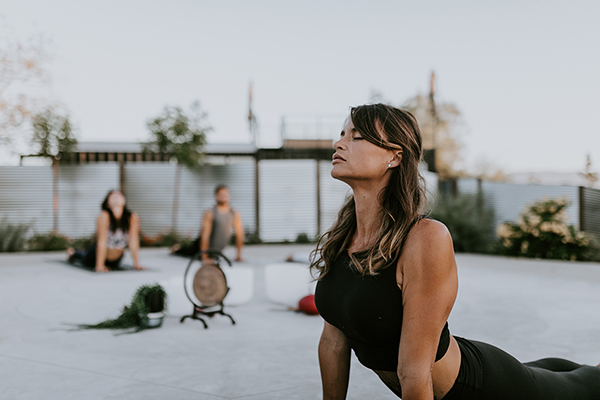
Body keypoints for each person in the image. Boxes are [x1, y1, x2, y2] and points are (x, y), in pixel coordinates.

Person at [311, 103, 600, 400]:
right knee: (557, 369)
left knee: (585, 385)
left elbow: (414, 372)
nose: (339, 143)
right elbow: (333, 343)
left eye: (357, 137)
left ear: (395, 157)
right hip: (464, 369)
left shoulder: (424, 238)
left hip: (479, 389)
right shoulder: (343, 236)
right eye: (342, 133)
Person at [68, 190, 143, 272]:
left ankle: (78, 251)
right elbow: (102, 241)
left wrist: (136, 264)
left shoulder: (132, 217)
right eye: (113, 196)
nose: (116, 197)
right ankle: (73, 253)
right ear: (108, 203)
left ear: (124, 201)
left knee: (111, 265)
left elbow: (133, 241)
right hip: (96, 256)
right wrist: (100, 265)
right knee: (83, 258)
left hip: (116, 259)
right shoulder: (104, 216)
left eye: (119, 195)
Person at [172, 185, 244, 262]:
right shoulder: (210, 213)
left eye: (225, 195)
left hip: (216, 251)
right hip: (200, 247)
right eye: (221, 195)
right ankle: (175, 249)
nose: (223, 197)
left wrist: (238, 256)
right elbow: (205, 235)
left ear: (229, 196)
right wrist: (204, 257)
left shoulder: (234, 214)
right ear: (216, 196)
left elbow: (240, 235)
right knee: (186, 251)